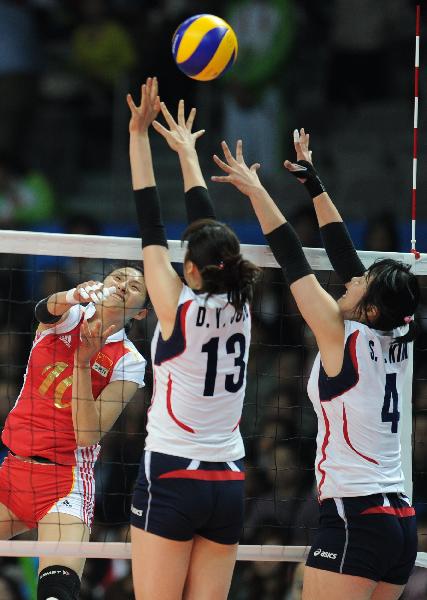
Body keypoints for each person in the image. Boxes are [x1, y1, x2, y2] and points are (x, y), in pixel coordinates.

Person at [211, 130, 420, 600]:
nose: (352, 279)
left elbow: (291, 258)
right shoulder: (402, 333)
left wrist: (255, 189)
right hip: (400, 523)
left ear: (368, 310)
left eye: (362, 283)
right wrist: (314, 183)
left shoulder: (338, 333)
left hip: (356, 517)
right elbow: (347, 258)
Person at [126, 77, 260, 600]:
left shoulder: (175, 304)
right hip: (227, 481)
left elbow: (149, 220)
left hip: (173, 475)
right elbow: (208, 235)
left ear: (194, 272)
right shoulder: (243, 300)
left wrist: (140, 137)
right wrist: (187, 153)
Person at [0, 267, 147, 600]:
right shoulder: (69, 316)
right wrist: (71, 296)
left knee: (56, 593)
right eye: (119, 277)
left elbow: (86, 434)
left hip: (65, 481)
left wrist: (82, 364)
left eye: (135, 286)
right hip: (14, 471)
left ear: (141, 312)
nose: (124, 285)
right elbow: (43, 310)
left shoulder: (129, 361)